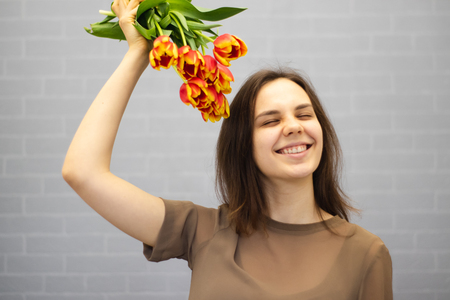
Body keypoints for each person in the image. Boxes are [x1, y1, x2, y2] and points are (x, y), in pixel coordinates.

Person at [62, 0, 393, 299]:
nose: (293, 126)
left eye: (304, 114)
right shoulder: (203, 231)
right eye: (269, 121)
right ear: (243, 147)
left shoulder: (366, 253)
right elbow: (82, 172)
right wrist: (138, 52)